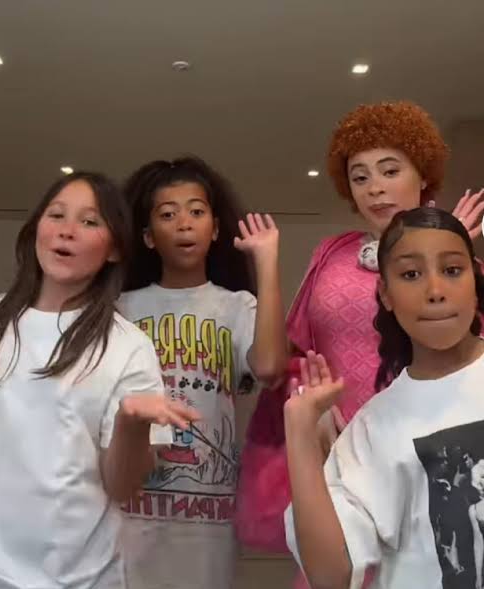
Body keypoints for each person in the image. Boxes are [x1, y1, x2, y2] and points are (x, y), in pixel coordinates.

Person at [235, 102, 484, 575]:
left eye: (390, 170)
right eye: (360, 177)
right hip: (348, 453)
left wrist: (447, 248)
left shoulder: (459, 260)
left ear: (422, 173)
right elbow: (273, 364)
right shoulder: (331, 254)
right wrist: (266, 262)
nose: (375, 187)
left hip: (438, 455)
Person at [0, 171, 198, 588]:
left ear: (114, 249)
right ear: (36, 229)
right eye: (56, 215)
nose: (67, 231)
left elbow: (123, 487)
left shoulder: (127, 346)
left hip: (78, 578)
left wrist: (130, 424)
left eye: (89, 222)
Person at [284, 206, 484, 589]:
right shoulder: (374, 427)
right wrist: (301, 437)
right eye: (411, 274)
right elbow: (330, 576)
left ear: (475, 279)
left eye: (452, 270)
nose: (436, 291)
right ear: (385, 294)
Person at [117, 156, 287, 589]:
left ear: (214, 229)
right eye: (167, 214)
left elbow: (270, 367)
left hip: (210, 514)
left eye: (196, 211)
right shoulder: (122, 310)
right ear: (148, 236)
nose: (184, 224)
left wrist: (267, 261)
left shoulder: (236, 307)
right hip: (131, 511)